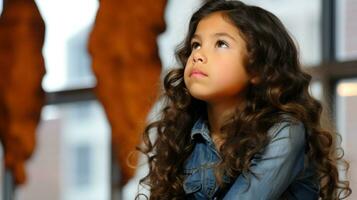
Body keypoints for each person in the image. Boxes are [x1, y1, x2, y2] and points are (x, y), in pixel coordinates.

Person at [136, 0, 351, 199]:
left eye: (221, 44)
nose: (197, 55)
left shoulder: (283, 132)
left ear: (258, 70)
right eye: (196, 44)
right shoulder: (185, 134)